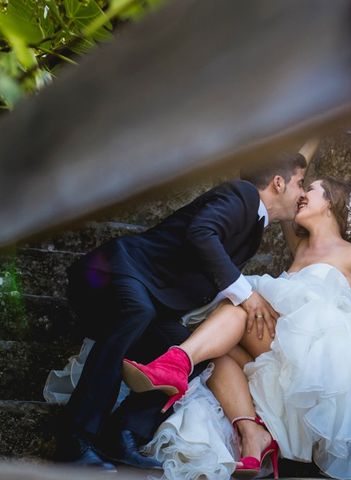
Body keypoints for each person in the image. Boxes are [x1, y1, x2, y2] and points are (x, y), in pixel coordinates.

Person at [123, 164, 351, 479]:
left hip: (315, 359)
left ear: (329, 202)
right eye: (301, 186)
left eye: (310, 189)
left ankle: (178, 361)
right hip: (275, 354)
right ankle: (252, 436)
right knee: (219, 350)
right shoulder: (298, 248)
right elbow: (289, 169)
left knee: (241, 306)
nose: (300, 194)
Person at [56, 140, 318, 472]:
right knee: (137, 311)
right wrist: (245, 294)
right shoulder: (242, 196)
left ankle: (122, 433)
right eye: (299, 183)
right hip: (118, 270)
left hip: (152, 298)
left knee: (188, 356)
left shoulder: (253, 226)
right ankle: (74, 438)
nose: (302, 193)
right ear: (278, 183)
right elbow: (201, 232)